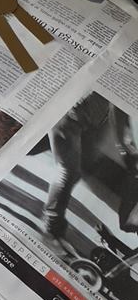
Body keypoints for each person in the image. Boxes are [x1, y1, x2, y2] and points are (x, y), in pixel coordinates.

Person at [42, 93, 138, 248]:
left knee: (90, 161)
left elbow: (119, 112)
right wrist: (126, 149)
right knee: (68, 172)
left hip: (94, 117)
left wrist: (126, 149)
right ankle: (52, 225)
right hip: (69, 117)